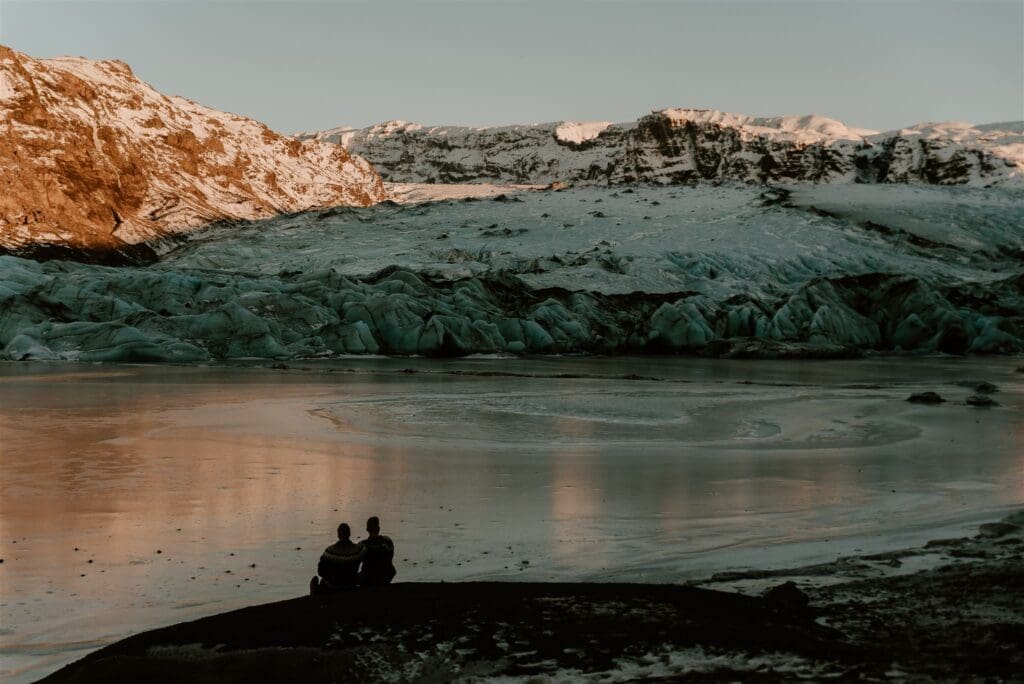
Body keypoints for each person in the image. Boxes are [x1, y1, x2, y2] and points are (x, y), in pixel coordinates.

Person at [310, 522, 365, 595]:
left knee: (316, 581)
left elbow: (321, 571)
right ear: (349, 534)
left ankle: (315, 593)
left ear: (338, 535)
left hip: (334, 586)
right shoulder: (358, 550)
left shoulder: (329, 552)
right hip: (351, 584)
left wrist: (330, 576)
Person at [358, 516, 396, 586]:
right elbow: (390, 557)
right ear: (379, 529)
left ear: (367, 529)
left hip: (368, 578)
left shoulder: (362, 545)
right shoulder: (387, 541)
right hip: (384, 577)